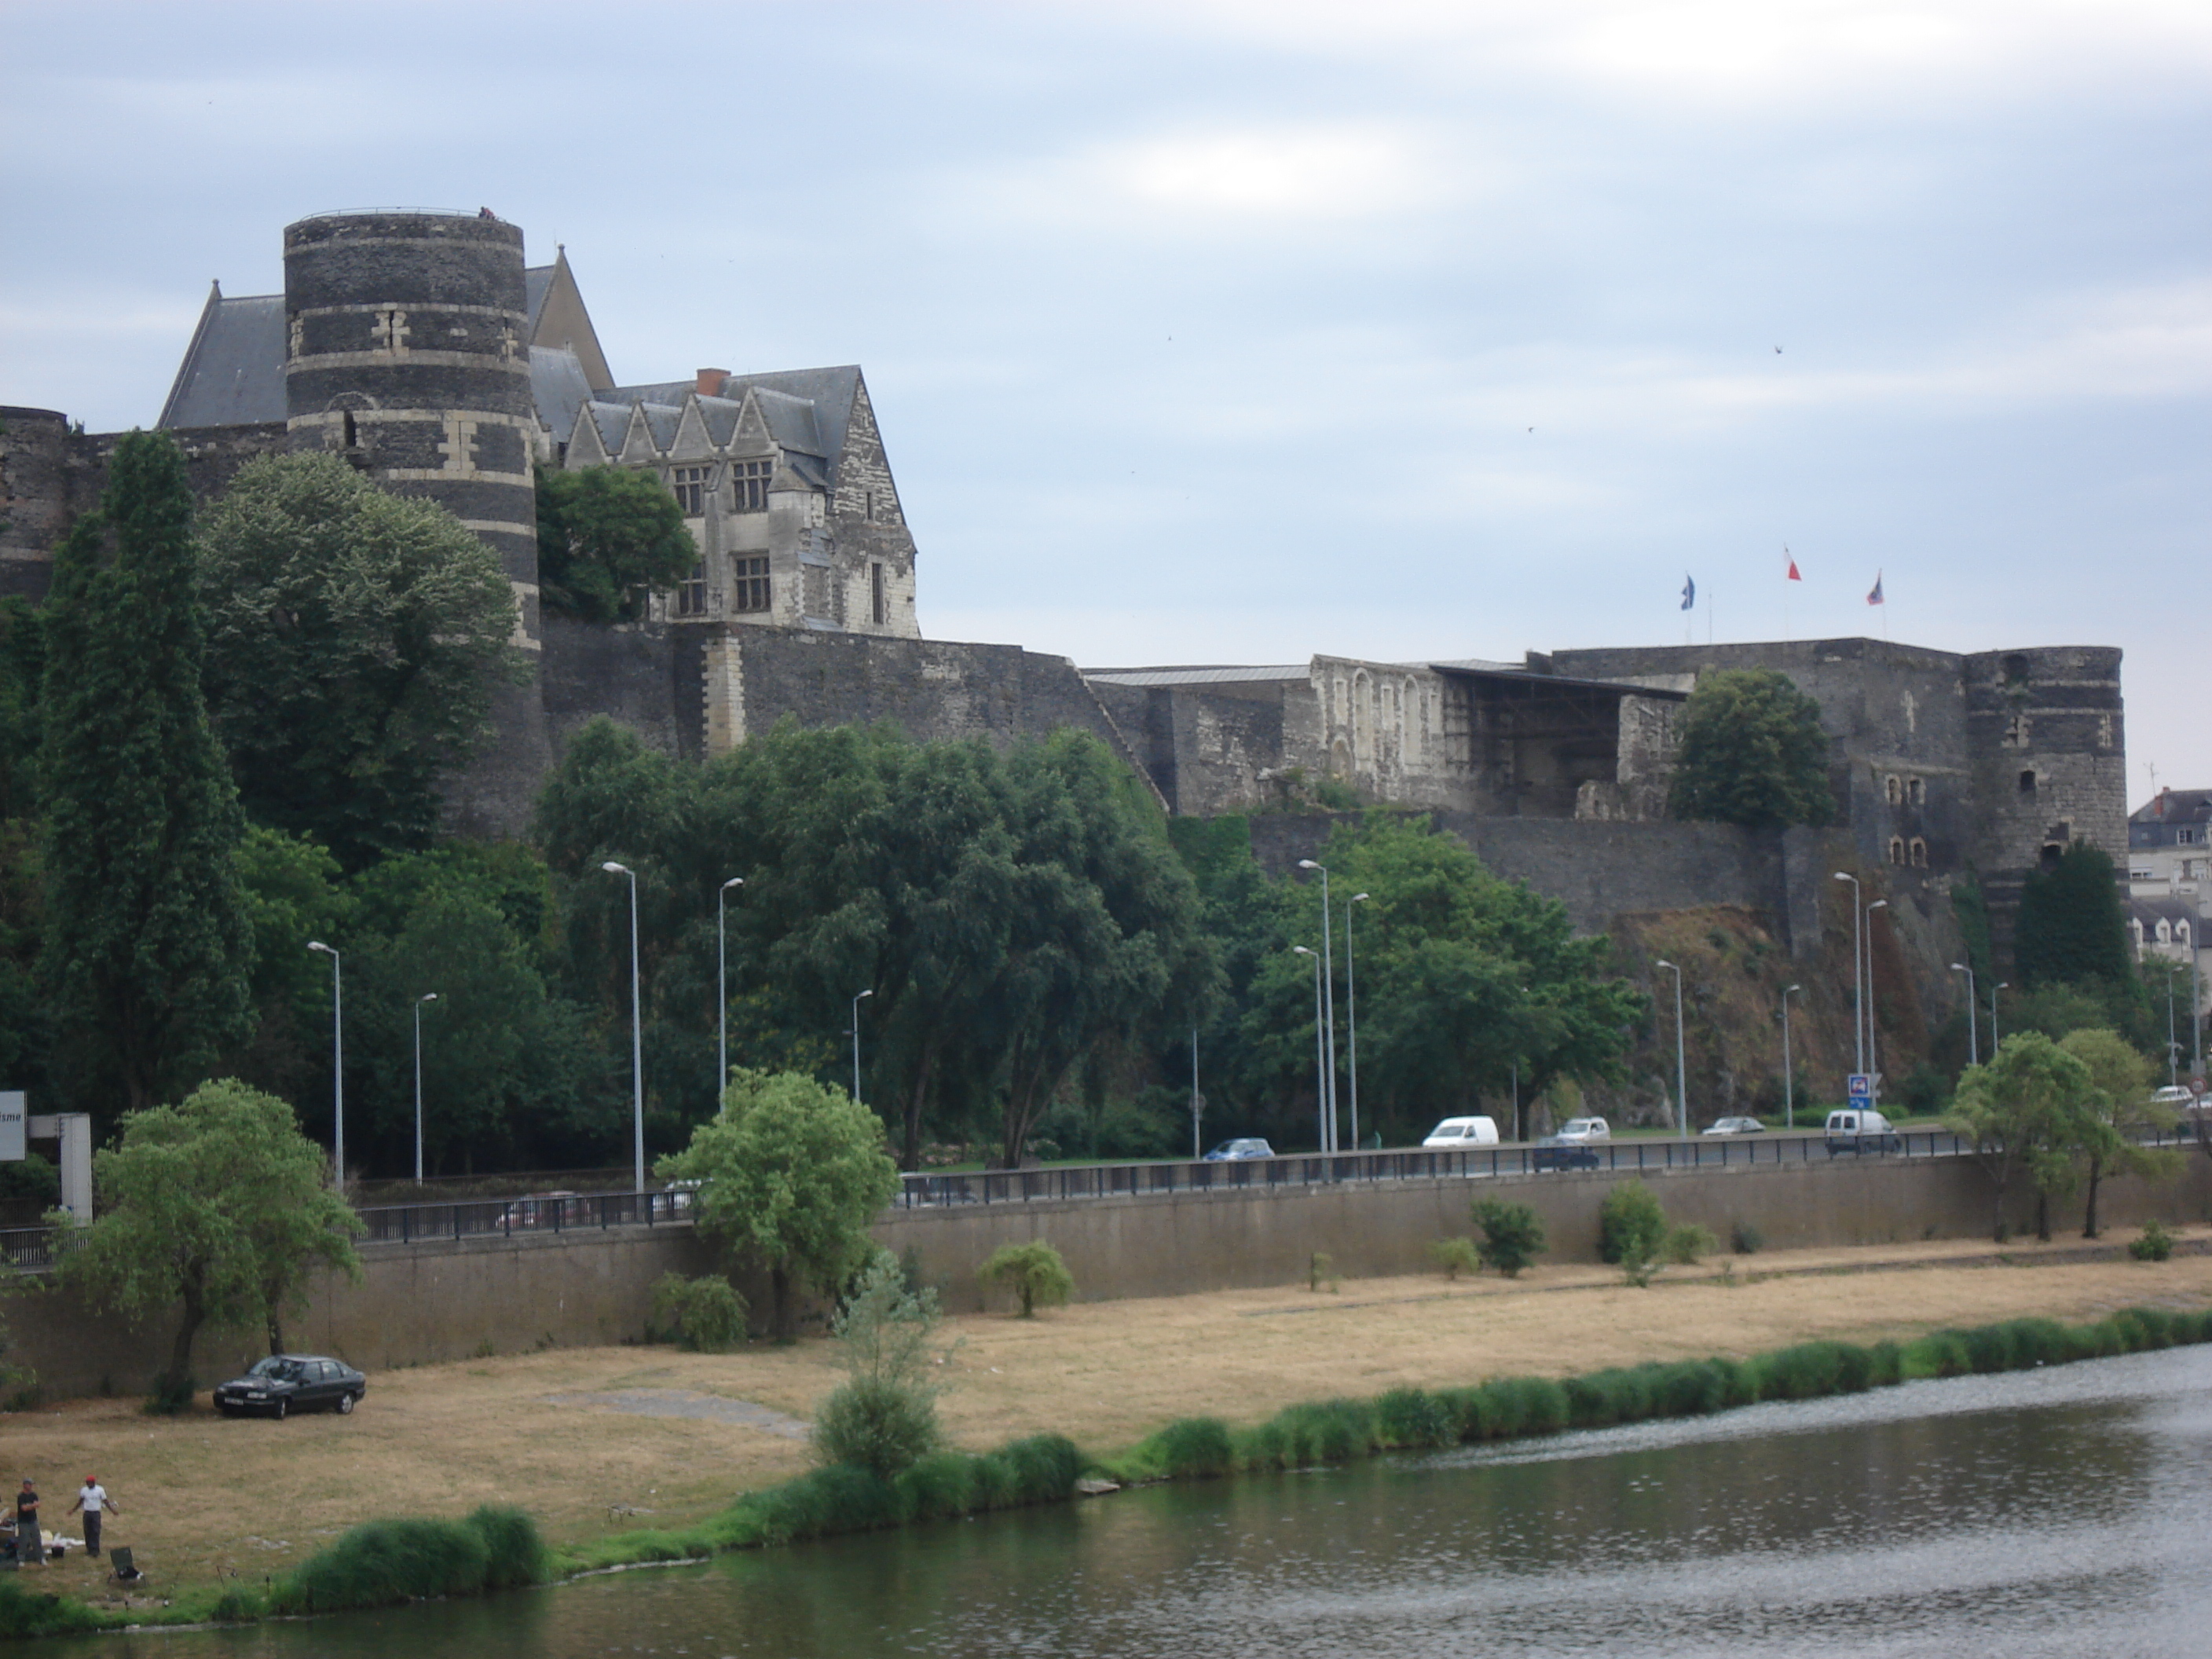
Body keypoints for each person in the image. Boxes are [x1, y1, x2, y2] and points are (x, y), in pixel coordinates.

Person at [68, 1477, 115, 1558]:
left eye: (90, 1482)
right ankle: (89, 1549)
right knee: (87, 1531)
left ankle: (95, 1549)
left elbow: (105, 1501)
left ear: (94, 1482)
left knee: (95, 1531)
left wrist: (112, 1510)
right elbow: (80, 1501)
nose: (88, 1484)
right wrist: (73, 1510)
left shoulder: (100, 1490)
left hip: (96, 1512)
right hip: (87, 1512)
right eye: (87, 1482)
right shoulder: (84, 1490)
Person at [13, 1480, 38, 1568]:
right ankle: (21, 1559)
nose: (31, 1486)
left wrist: (29, 1506)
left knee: (37, 1539)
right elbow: (23, 1508)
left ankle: (40, 1557)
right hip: (23, 1521)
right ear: (25, 1485)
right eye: (30, 1484)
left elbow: (37, 1504)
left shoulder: (33, 1495)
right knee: (23, 1540)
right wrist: (32, 1506)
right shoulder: (21, 1496)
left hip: (33, 1520)